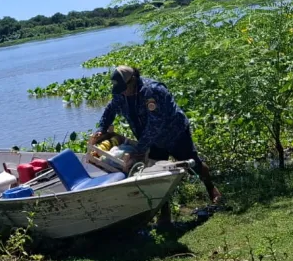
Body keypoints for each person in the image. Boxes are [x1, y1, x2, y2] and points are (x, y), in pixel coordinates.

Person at [89, 65, 223, 224]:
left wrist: (138, 150)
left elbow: (155, 125)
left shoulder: (152, 92)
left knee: (193, 163)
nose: (122, 92)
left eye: (125, 88)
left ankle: (212, 190)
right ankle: (164, 214)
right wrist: (101, 128)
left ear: (133, 80)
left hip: (175, 133)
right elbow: (110, 109)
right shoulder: (121, 94)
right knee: (157, 175)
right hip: (150, 140)